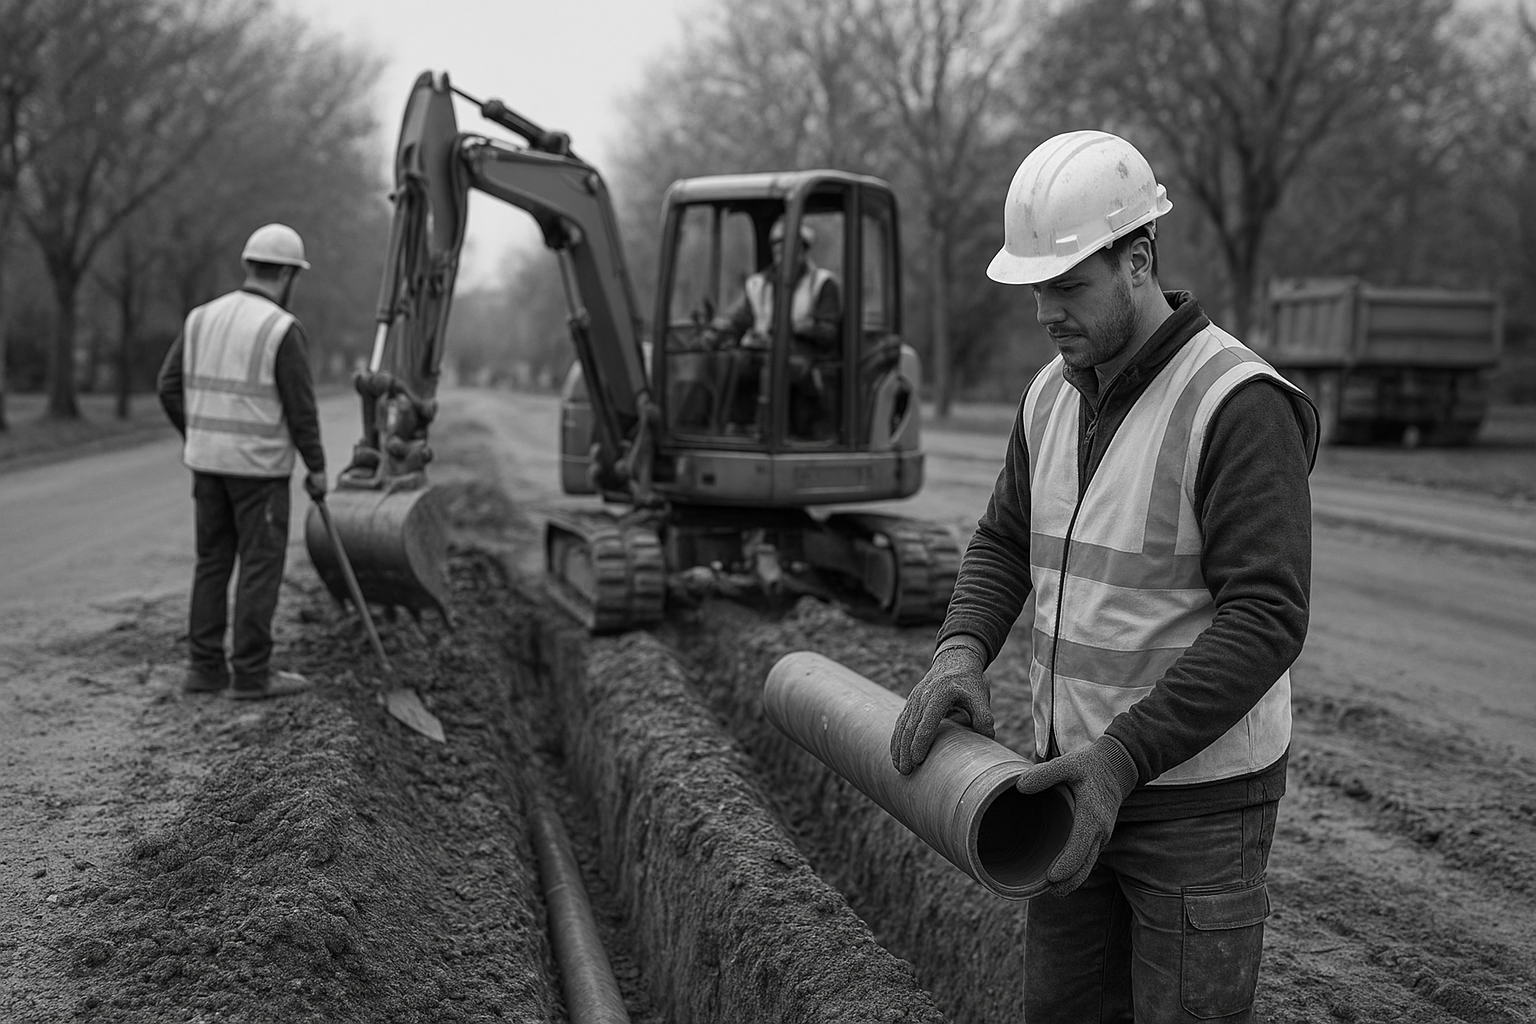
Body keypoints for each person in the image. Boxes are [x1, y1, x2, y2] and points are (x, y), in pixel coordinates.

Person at [889, 131, 1318, 1022]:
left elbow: (1267, 618)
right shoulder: (1049, 393)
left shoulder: (1237, 403)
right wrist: (961, 652)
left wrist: (1121, 759)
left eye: (1069, 284)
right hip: (1066, 791)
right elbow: (1005, 539)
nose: (1047, 311)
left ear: (1139, 260)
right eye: (1035, 288)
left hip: (1195, 811)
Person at [157, 223, 328, 700]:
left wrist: (202, 436)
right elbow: (301, 408)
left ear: (249, 265)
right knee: (259, 566)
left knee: (212, 562)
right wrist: (317, 466)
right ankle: (252, 673)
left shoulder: (200, 318)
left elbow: (167, 387)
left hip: (207, 466)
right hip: (260, 473)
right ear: (290, 274)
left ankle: (204, 669)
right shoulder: (281, 328)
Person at [708, 217, 842, 437]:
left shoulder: (824, 283)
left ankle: (774, 433)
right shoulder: (757, 284)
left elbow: (828, 332)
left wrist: (794, 329)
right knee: (729, 361)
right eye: (778, 249)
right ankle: (731, 428)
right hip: (763, 352)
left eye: (790, 248)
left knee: (776, 366)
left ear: (804, 251)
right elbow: (738, 320)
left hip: (807, 358)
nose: (783, 255)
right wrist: (716, 333)